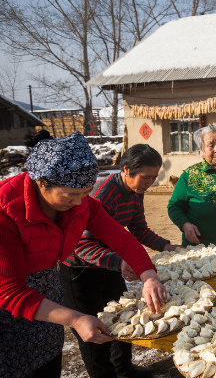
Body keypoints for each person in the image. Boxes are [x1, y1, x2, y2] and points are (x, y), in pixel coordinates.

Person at [0, 131, 166, 378]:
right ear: (42, 181)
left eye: (85, 193)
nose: (79, 203)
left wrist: (148, 275)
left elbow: (121, 238)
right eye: (71, 194)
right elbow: (10, 291)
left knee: (47, 361)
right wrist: (75, 318)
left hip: (47, 291)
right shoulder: (6, 211)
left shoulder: (81, 203)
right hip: (9, 309)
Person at [60, 144, 181, 378]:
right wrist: (119, 262)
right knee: (94, 331)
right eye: (146, 177)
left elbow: (137, 228)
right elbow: (81, 245)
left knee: (123, 318)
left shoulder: (136, 192)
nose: (150, 183)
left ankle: (124, 370)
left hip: (111, 264)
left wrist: (165, 245)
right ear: (126, 169)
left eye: (154, 177)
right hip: (80, 271)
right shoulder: (103, 194)